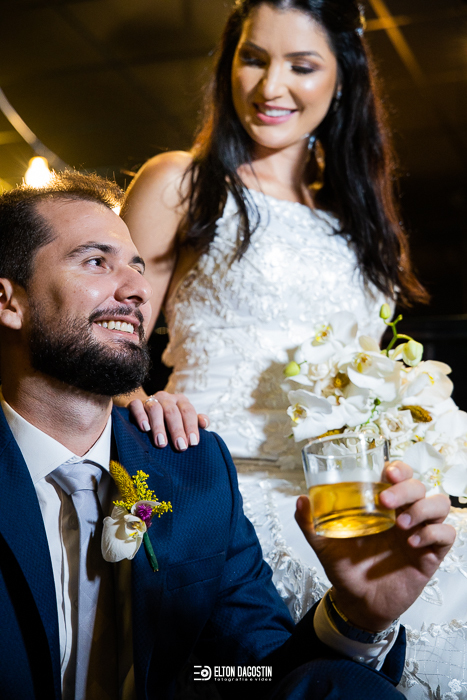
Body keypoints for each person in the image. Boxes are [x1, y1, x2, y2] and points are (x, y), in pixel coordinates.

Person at [0, 171, 456, 700]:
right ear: (8, 302)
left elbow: (256, 676)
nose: (137, 290)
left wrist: (357, 617)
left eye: (138, 267)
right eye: (96, 262)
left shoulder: (196, 472)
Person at [121, 0, 467, 696]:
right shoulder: (180, 183)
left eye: (301, 66)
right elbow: (100, 338)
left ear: (342, 79)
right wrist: (138, 405)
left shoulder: (361, 225)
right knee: (255, 672)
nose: (270, 86)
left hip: (345, 493)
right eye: (253, 59)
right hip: (222, 482)